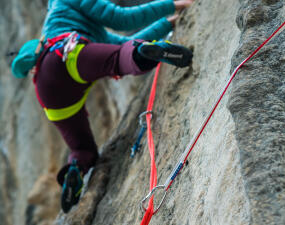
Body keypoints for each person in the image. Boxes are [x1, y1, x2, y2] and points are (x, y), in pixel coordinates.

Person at [11, 0, 194, 213]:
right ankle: (141, 54)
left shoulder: (66, 24)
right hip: (67, 54)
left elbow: (122, 41)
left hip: (49, 93)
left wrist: (167, 24)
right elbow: (122, 20)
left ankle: (75, 170)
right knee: (120, 59)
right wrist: (174, 4)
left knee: (82, 149)